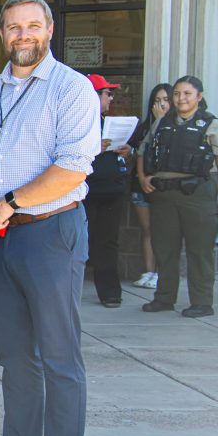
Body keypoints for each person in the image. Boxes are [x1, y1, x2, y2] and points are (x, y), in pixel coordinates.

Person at [0, 0, 100, 436]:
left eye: (32, 26)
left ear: (49, 30)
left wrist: (11, 203)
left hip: (50, 232)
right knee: (15, 355)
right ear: (2, 35)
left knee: (59, 354)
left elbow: (73, 165)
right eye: (14, 27)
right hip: (1, 237)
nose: (23, 35)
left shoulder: (71, 88)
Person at [137, 75, 218, 318]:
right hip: (164, 194)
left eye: (187, 94)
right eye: (177, 94)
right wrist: (142, 177)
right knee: (164, 248)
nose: (181, 98)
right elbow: (143, 151)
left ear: (198, 97)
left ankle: (201, 302)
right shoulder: (162, 122)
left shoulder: (212, 124)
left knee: (199, 251)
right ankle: (164, 298)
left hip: (197, 194)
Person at [84, 74, 131, 308]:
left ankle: (110, 292)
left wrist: (125, 150)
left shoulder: (108, 122)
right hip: (84, 192)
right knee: (79, 242)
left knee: (107, 242)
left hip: (111, 191)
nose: (110, 98)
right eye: (107, 93)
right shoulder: (76, 122)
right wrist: (94, 148)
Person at [129, 84, 170, 289]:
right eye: (156, 100)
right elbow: (139, 152)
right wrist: (143, 177)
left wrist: (162, 121)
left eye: (165, 100)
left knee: (162, 230)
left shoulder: (173, 127)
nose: (160, 104)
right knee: (147, 230)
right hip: (141, 185)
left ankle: (161, 273)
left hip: (163, 187)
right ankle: (149, 271)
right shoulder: (145, 127)